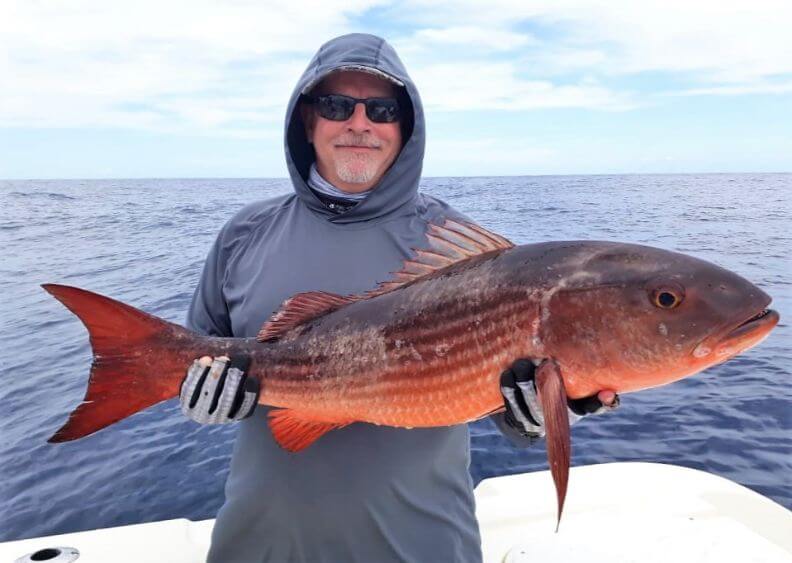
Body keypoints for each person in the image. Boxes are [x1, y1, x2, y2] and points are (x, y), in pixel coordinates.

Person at [180, 33, 618, 563]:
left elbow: (507, 414)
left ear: (405, 127)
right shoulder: (243, 234)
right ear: (307, 120)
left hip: (421, 546)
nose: (359, 124)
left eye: (382, 109)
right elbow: (195, 359)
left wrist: (539, 413)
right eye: (337, 105)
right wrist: (198, 396)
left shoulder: (459, 245)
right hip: (258, 545)